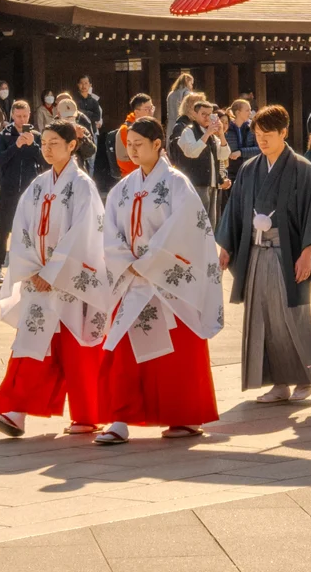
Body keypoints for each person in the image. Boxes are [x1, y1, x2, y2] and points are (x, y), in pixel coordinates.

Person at [94, 117, 222, 445]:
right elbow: (109, 233)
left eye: (139, 144)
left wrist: (149, 263)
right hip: (133, 280)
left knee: (177, 356)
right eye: (129, 145)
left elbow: (186, 229)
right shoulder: (122, 189)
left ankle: (182, 417)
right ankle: (119, 418)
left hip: (169, 284)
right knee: (121, 352)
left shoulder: (178, 184)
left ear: (157, 145)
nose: (133, 150)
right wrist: (128, 263)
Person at [0, 119, 110, 438]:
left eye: (55, 143)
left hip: (70, 281)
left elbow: (84, 234)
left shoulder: (83, 186)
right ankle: (15, 412)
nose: (48, 148)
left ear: (72, 146)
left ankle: (87, 414)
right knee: (30, 344)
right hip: (38, 279)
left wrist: (53, 272)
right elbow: (22, 227)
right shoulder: (39, 185)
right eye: (45, 143)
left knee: (76, 349)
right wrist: (30, 270)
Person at [216, 105, 311, 404]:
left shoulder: (302, 168)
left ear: (284, 133)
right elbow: (235, 208)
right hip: (255, 251)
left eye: (268, 135)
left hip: (287, 251)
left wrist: (307, 253)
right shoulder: (250, 169)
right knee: (262, 317)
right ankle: (278, 382)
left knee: (293, 314)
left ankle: (307, 377)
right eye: (258, 134)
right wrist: (225, 246)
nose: (262, 140)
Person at [0, 99, 45, 286]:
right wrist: (17, 145)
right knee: (4, 228)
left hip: (31, 190)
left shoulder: (37, 136)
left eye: (25, 116)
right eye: (18, 116)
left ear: (29, 115)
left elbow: (45, 160)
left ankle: (29, 266)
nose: (22, 120)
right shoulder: (4, 135)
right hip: (9, 189)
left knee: (31, 229)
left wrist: (32, 145)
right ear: (12, 116)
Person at [170, 93, 231, 227]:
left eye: (210, 114)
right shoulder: (189, 131)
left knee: (211, 223)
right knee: (198, 223)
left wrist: (220, 134)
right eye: (203, 114)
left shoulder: (212, 136)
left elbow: (224, 154)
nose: (207, 118)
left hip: (212, 183)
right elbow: (191, 152)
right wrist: (208, 133)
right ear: (195, 114)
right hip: (196, 183)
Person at [225, 99, 259, 178]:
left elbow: (260, 149)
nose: (250, 113)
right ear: (238, 112)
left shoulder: (253, 128)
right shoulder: (226, 128)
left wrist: (241, 152)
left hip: (249, 170)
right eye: (247, 110)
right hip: (230, 172)